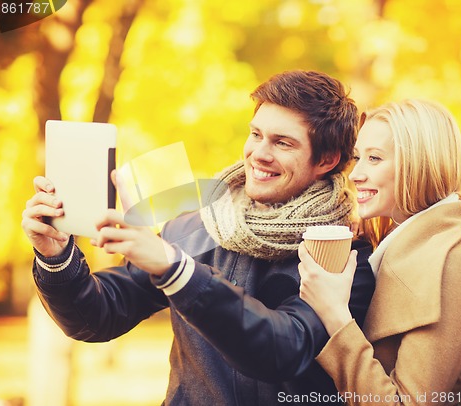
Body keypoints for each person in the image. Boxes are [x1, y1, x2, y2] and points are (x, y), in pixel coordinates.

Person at [22, 70, 376, 405]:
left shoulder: (343, 257)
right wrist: (57, 257)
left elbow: (282, 350)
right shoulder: (194, 227)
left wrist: (177, 270)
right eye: (255, 134)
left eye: (282, 143)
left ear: (326, 160)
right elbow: (96, 317)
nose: (259, 154)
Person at [298, 99, 461, 406]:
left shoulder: (456, 261)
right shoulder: (387, 246)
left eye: (374, 159)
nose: (356, 174)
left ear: (420, 163)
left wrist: (334, 315)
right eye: (358, 158)